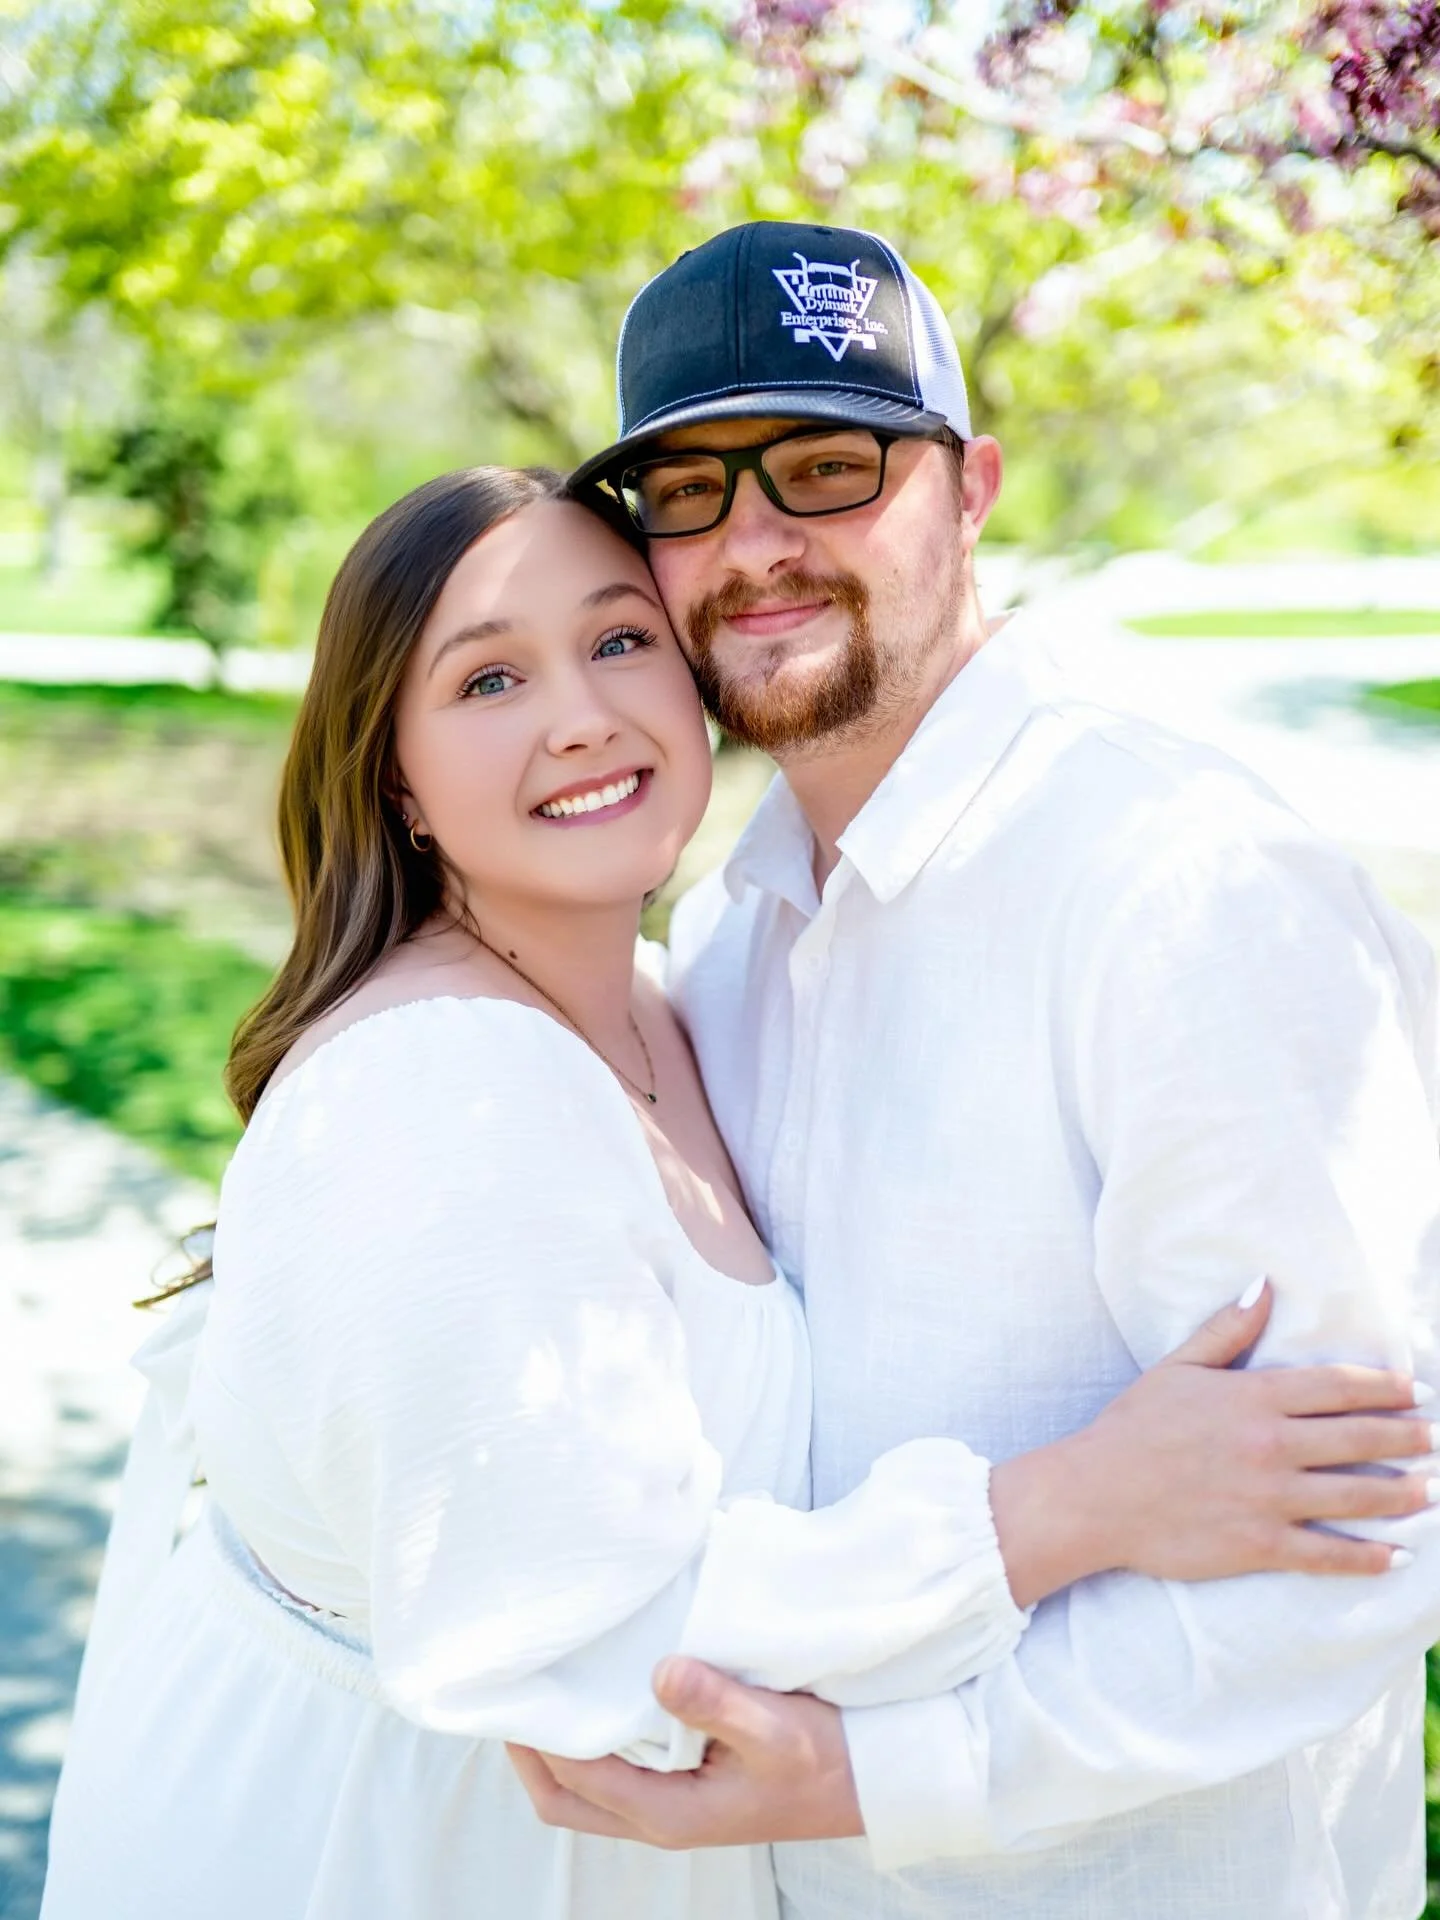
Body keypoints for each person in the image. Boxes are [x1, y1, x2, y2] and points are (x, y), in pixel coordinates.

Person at [40, 462, 1431, 1920]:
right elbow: (578, 1628)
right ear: (396, 776)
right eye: (491, 679)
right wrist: (1071, 1505)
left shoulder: (688, 987)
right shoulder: (437, 1088)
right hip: (404, 1859)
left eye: (618, 639)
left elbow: (1379, 1499)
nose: (583, 715)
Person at [516, 220, 1440, 1920]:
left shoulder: (1178, 889)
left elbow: (1373, 1528)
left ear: (973, 488)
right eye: (690, 492)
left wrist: (881, 1778)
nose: (755, 545)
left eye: (825, 467)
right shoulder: (730, 935)